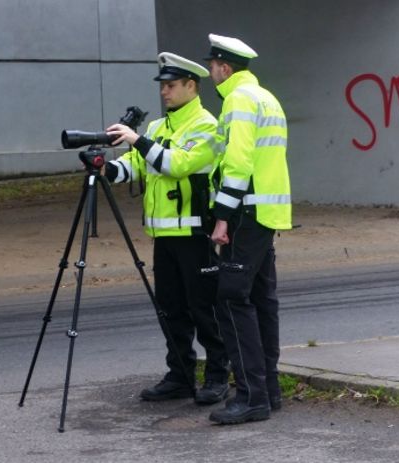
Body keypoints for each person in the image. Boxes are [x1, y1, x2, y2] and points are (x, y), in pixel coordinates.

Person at [104, 52, 229, 405]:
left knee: (204, 308)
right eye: (162, 86)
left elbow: (177, 165)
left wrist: (136, 140)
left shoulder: (207, 125)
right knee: (170, 309)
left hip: (194, 234)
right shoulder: (158, 128)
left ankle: (218, 375)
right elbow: (135, 167)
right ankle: (180, 375)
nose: (165, 92)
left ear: (192, 85)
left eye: (171, 86)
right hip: (163, 238)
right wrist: (106, 169)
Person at [203, 34, 292, 424]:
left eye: (211, 66)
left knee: (231, 299)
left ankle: (250, 397)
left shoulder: (238, 100)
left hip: (244, 214)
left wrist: (222, 215)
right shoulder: (266, 97)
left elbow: (237, 161)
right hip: (265, 215)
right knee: (261, 300)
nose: (210, 72)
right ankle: (268, 390)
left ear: (224, 67)